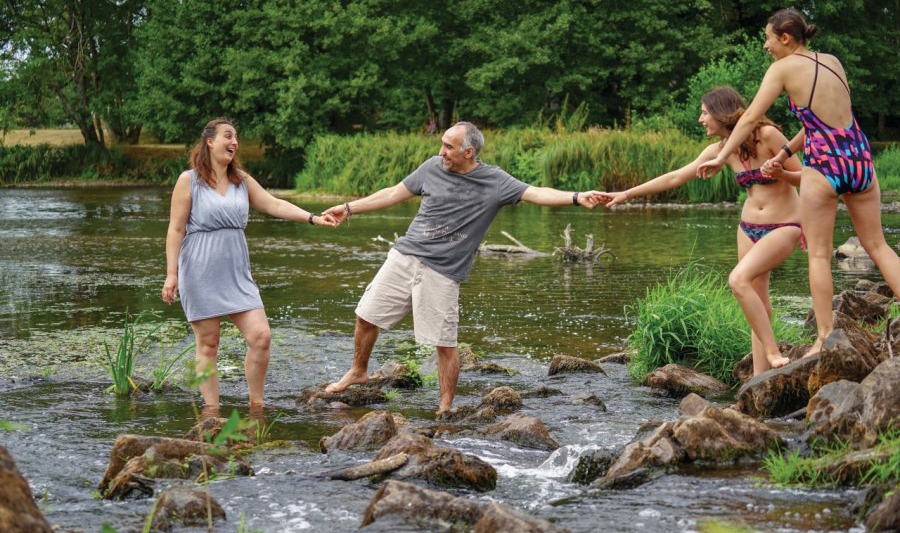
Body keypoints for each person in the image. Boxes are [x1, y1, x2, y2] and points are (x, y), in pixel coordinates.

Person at [321, 121, 605, 414]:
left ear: (469, 152)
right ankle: (358, 370)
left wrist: (575, 197)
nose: (440, 151)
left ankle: (445, 407)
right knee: (366, 316)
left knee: (444, 344)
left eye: (448, 146)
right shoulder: (431, 168)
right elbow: (393, 193)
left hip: (443, 271)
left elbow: (537, 193)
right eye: (442, 144)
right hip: (405, 256)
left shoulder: (495, 182)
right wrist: (348, 208)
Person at [697, 8, 900, 356]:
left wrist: (720, 155)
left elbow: (748, 120)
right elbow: (820, 121)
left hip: (824, 165)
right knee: (878, 246)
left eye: (768, 38)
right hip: (860, 158)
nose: (765, 46)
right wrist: (785, 151)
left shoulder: (782, 69)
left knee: (819, 254)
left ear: (785, 38)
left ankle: (824, 338)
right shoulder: (833, 62)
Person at [599, 87, 803, 375]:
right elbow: (675, 176)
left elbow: (806, 176)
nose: (700, 119)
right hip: (748, 228)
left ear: (722, 113)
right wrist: (627, 193)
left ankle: (772, 351)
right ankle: (759, 379)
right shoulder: (721, 150)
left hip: (785, 224)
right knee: (758, 301)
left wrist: (782, 173)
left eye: (705, 112)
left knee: (738, 280)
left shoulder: (767, 135)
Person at [161, 118, 336, 410]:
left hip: (236, 272)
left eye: (236, 138)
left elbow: (273, 204)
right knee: (208, 343)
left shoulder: (241, 180)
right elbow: (176, 229)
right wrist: (171, 274)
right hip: (199, 269)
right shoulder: (188, 180)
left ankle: (256, 405)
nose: (234, 142)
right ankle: (212, 410)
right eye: (228, 136)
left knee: (261, 336)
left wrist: (313, 217)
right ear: (209, 142)